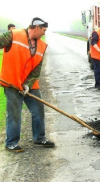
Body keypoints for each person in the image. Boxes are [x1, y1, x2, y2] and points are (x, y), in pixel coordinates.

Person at [0, 17, 55, 152]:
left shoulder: (41, 45)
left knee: (38, 110)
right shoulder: (13, 35)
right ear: (36, 27)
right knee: (14, 114)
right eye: (43, 30)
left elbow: (36, 70)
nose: (44, 33)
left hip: (30, 85)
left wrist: (27, 85)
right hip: (11, 82)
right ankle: (11, 143)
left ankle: (39, 138)